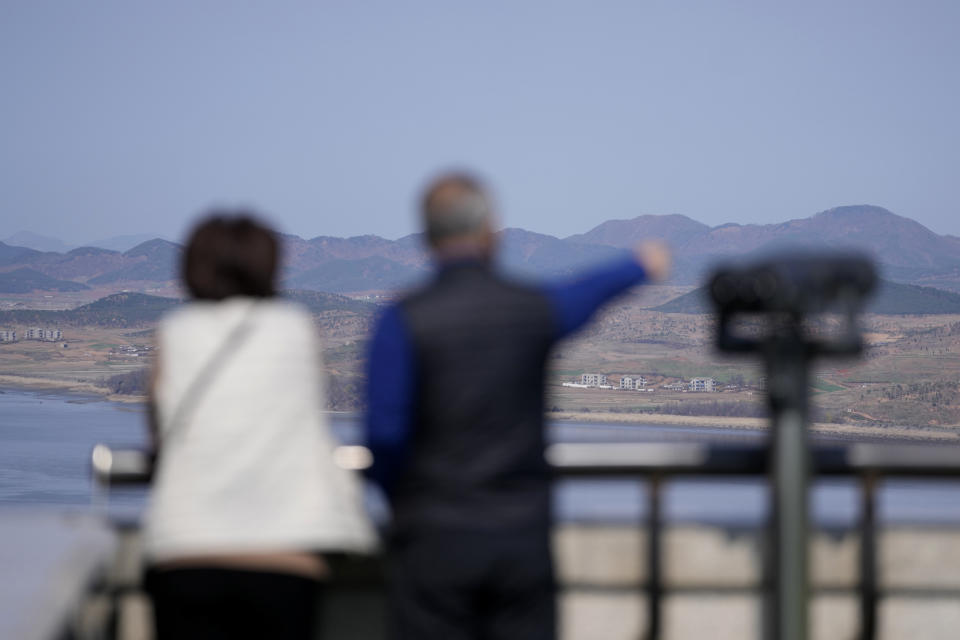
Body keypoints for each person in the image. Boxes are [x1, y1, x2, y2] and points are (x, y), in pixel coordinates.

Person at [365, 173, 670, 639]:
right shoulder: (530, 309)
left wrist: (406, 504)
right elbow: (582, 295)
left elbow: (385, 436)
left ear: (427, 236)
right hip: (519, 541)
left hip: (432, 541)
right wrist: (639, 265)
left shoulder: (403, 320)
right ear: (491, 229)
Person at [142, 214, 375, 640]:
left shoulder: (174, 332)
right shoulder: (295, 328)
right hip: (285, 555)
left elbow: (158, 429)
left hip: (187, 548)